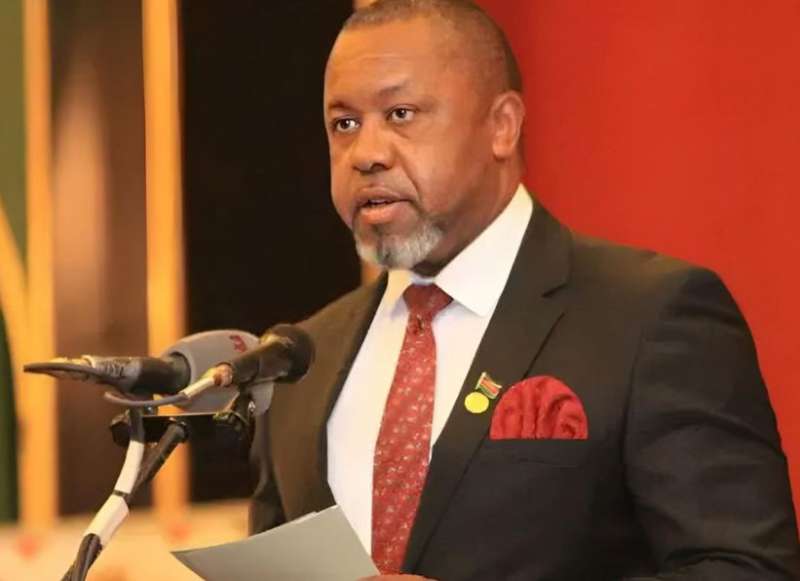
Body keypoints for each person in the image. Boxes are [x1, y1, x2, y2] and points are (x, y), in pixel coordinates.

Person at [250, 1, 800, 579]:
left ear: (502, 126)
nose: (366, 154)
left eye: (401, 113)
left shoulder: (650, 318)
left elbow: (750, 570)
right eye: (344, 124)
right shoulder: (300, 360)